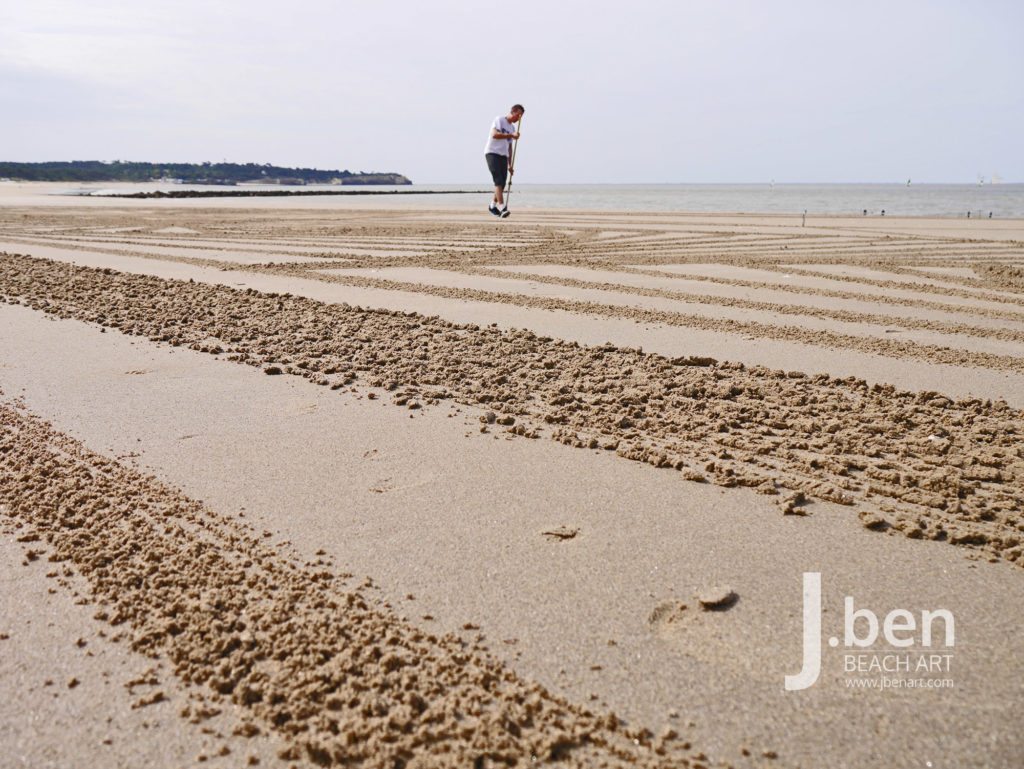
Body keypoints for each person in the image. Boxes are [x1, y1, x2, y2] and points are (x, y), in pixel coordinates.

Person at [484, 104, 524, 217]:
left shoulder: (512, 128)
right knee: (498, 180)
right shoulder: (499, 120)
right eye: (518, 115)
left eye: (521, 117)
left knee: (502, 183)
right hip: (492, 153)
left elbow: (509, 147)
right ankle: (502, 208)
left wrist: (509, 164)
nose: (519, 119)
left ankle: (492, 205)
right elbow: (495, 135)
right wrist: (511, 135)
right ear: (512, 111)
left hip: (503, 155)